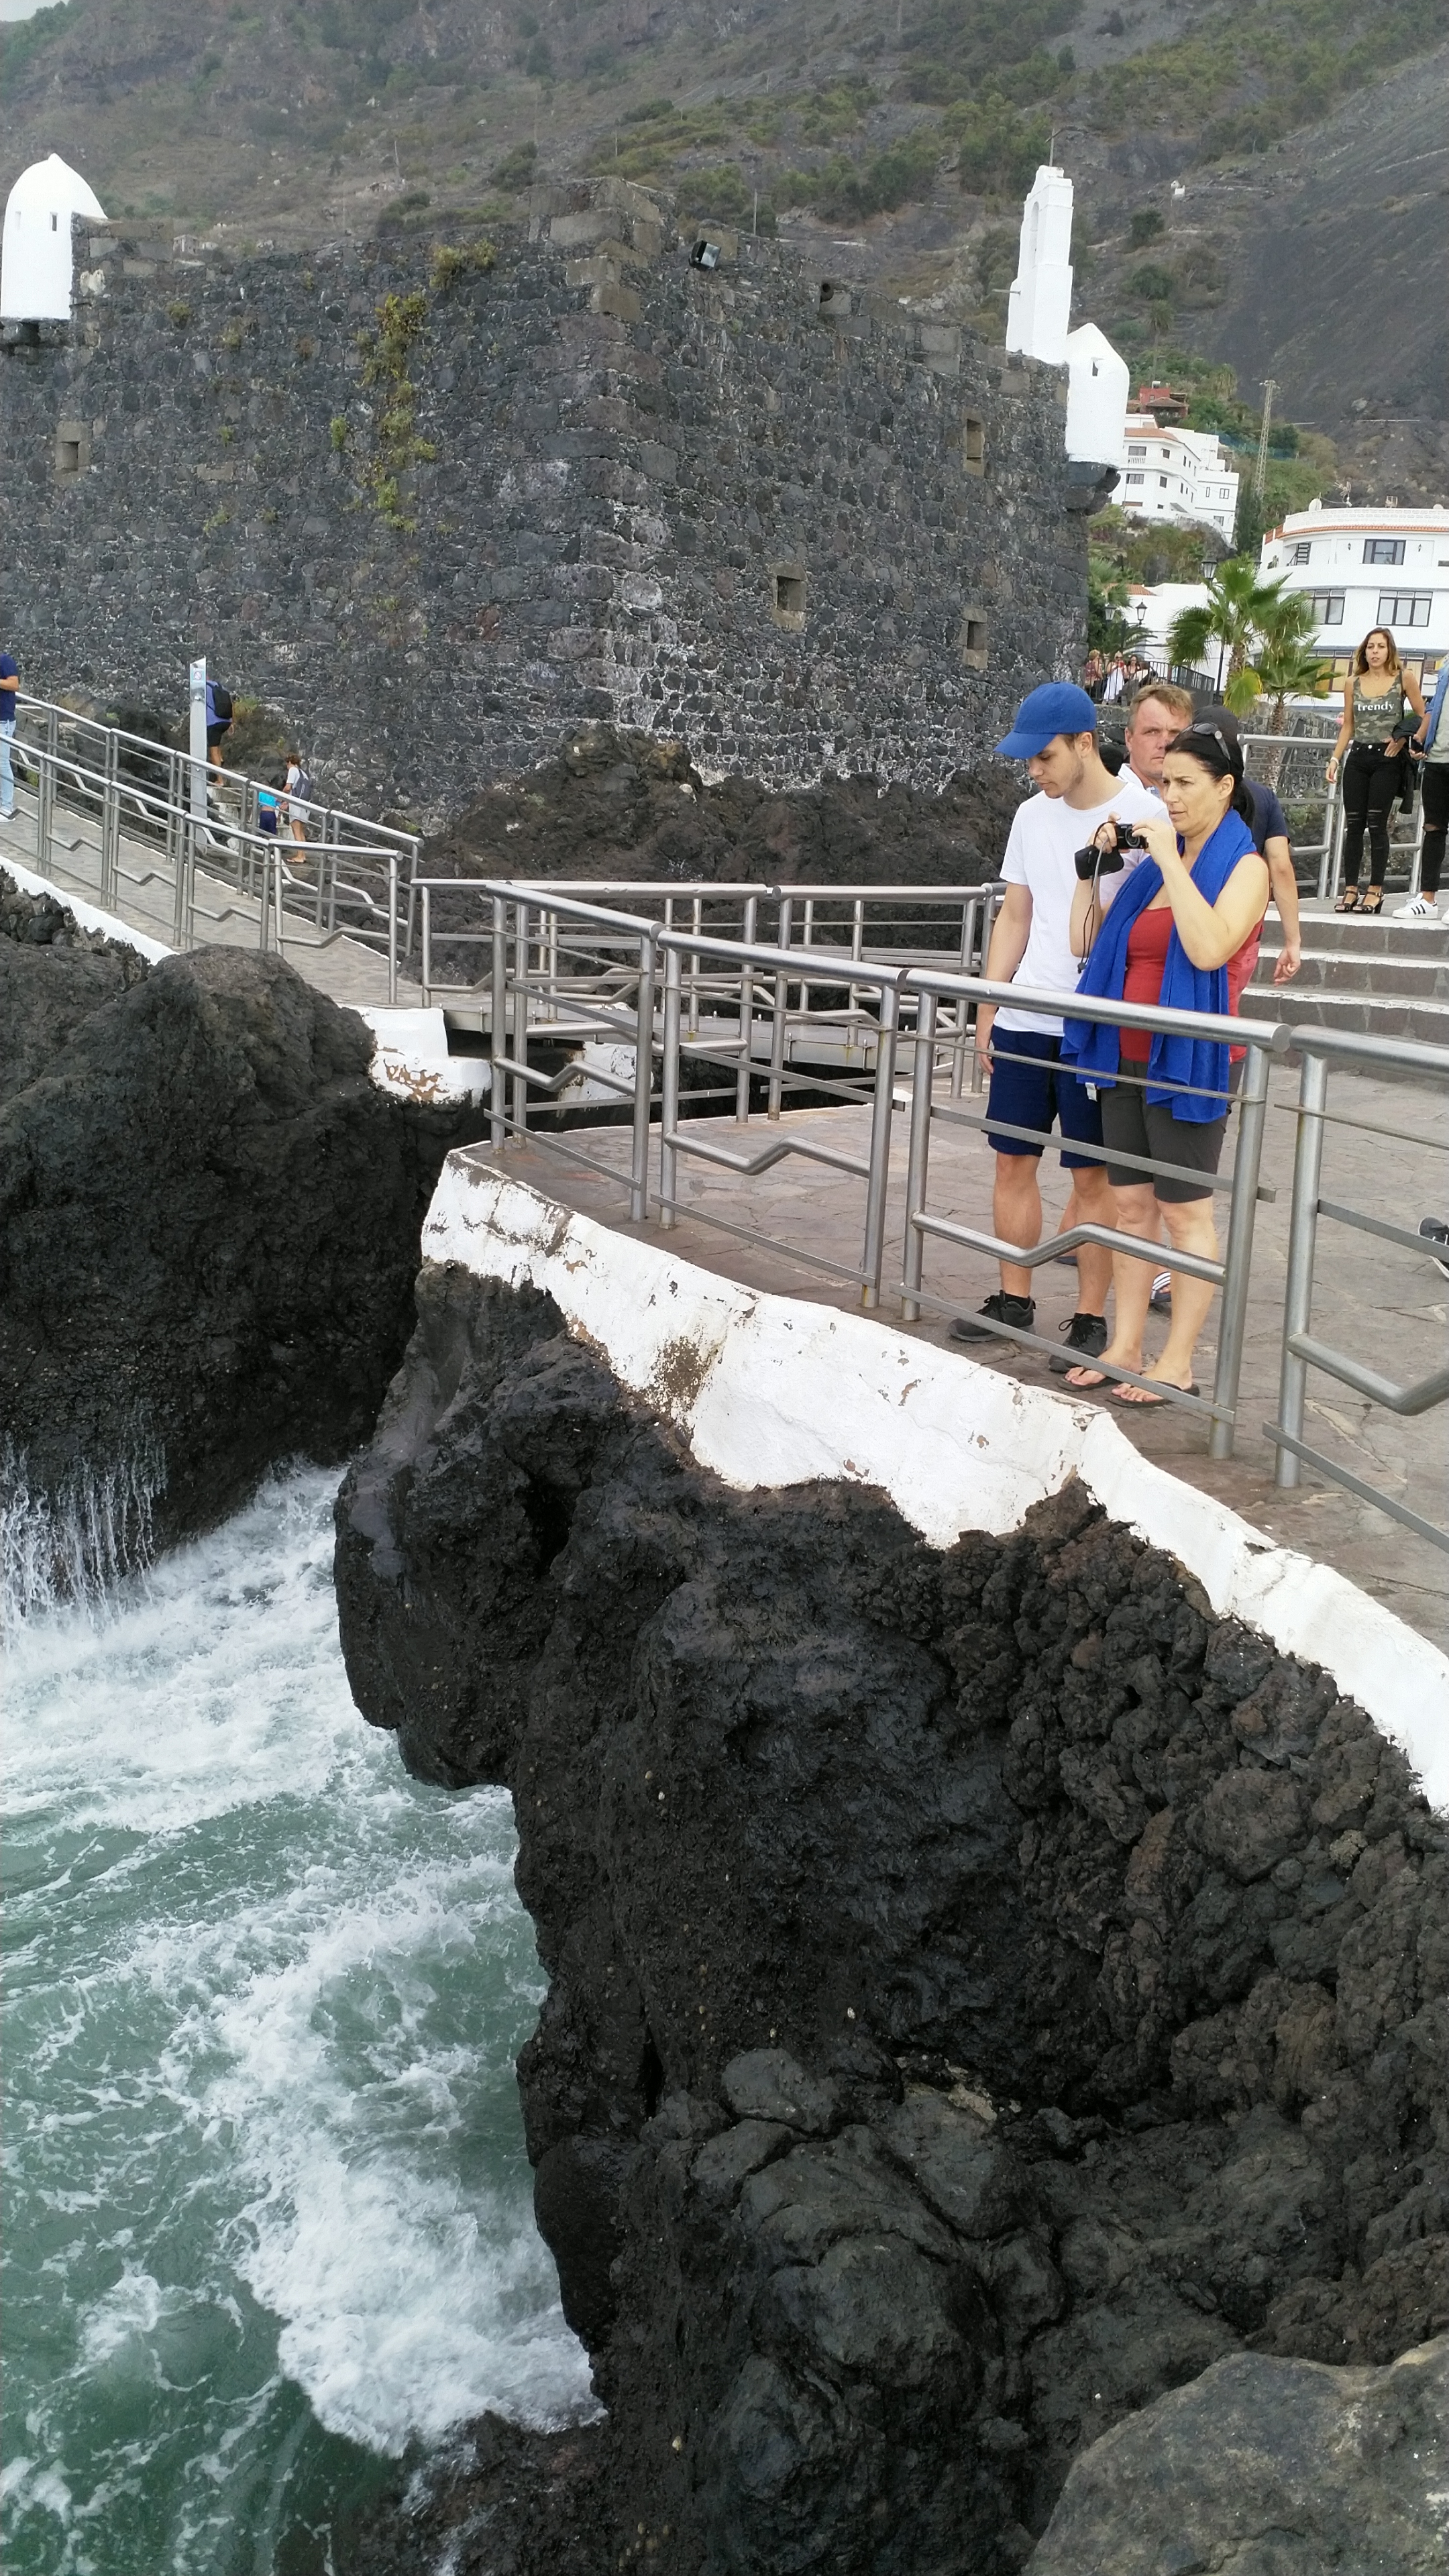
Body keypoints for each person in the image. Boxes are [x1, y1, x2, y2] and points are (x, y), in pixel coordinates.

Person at [949, 680, 1164, 1374]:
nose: (1034, 772)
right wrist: (988, 1006)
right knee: (1012, 1160)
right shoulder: (1029, 816)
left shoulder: (1145, 816)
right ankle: (1014, 1298)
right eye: (1028, 761)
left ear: (1083, 743)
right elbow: (1015, 914)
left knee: (1092, 1177)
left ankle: (1092, 1316)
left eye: (1044, 757)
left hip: (1096, 1024)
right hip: (1025, 1017)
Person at [1060, 722, 1269, 1403]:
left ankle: (1177, 1361)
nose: (1168, 798)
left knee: (1184, 1213)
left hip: (1190, 1058)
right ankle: (1125, 1344)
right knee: (1131, 1207)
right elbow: (1088, 944)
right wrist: (1092, 871)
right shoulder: (1154, 863)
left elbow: (1208, 948)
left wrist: (1171, 862)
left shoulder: (1245, 867)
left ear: (1225, 787)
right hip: (1124, 1052)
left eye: (1184, 784)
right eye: (1163, 784)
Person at [1326, 629, 1426, 913]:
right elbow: (1348, 725)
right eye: (1370, 646)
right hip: (1358, 756)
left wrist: (1403, 739)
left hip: (1387, 758)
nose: (1375, 652)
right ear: (1364, 650)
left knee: (1376, 823)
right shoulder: (1352, 682)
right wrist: (1335, 759)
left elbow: (1422, 715)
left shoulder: (1404, 678)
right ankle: (1350, 889)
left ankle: (1376, 890)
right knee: (1354, 825)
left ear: (1389, 650)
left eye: (1381, 646)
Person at [1401, 656, 1449, 919]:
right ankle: (1428, 899)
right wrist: (1420, 737)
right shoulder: (1447, 664)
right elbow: (1434, 706)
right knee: (1433, 828)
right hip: (1436, 759)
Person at [0, 644, 17, 821]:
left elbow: (14, 684)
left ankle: (7, 808)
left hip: (3, 721)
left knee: (2, 763)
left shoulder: (4, 660)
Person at [283, 747, 313, 848]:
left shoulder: (293, 770)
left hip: (296, 805)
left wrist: (280, 797)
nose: (287, 767)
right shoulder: (303, 773)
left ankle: (300, 855)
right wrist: (287, 802)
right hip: (304, 805)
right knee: (301, 831)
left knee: (296, 831)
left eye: (287, 764)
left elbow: (288, 788)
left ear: (290, 762)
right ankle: (302, 854)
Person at [205, 677, 234, 771]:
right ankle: (221, 761)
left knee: (213, 750)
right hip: (226, 720)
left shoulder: (202, 688)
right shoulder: (219, 686)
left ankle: (220, 777)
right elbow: (229, 704)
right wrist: (231, 722)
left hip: (213, 722)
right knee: (217, 745)